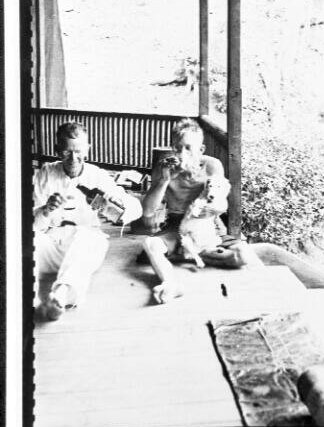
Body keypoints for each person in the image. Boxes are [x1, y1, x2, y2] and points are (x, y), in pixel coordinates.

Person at [33, 121, 142, 320]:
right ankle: (24, 298)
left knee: (91, 239)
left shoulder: (98, 176)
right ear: (58, 150)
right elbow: (31, 225)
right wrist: (45, 210)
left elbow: (136, 209)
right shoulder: (46, 173)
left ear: (87, 149)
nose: (73, 158)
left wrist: (120, 204)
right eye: (67, 152)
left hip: (82, 248)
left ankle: (60, 295)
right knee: (23, 241)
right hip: (51, 245)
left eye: (79, 151)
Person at [141, 118, 233, 303]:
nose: (183, 153)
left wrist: (213, 209)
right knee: (150, 244)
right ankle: (170, 284)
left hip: (209, 224)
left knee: (241, 256)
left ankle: (196, 253)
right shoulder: (164, 167)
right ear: (172, 148)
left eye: (189, 148)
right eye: (178, 148)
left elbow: (222, 203)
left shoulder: (212, 165)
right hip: (176, 224)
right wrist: (165, 180)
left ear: (201, 150)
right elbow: (147, 212)